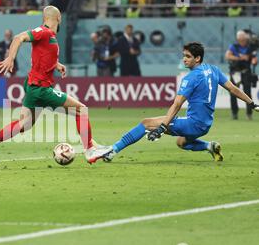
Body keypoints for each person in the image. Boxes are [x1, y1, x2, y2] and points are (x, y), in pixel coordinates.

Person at [0, 6, 113, 167]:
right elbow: (18, 38)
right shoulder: (44, 32)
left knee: (24, 124)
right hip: (41, 88)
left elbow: (42, 55)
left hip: (33, 86)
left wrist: (56, 64)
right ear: (59, 18)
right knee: (81, 109)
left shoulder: (49, 37)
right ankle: (90, 150)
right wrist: (10, 58)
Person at [103, 42, 259, 163]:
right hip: (206, 125)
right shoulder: (214, 70)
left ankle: (112, 151)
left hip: (193, 123)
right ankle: (209, 146)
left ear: (197, 58)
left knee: (146, 123)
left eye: (188, 56)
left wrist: (162, 126)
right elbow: (233, 89)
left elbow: (176, 105)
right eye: (184, 55)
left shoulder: (191, 78)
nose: (184, 59)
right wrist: (252, 103)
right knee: (181, 142)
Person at [225, 30, 257, 120]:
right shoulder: (234, 46)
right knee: (233, 92)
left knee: (247, 92)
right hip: (235, 72)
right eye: (241, 40)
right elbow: (227, 56)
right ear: (238, 39)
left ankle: (249, 113)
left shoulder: (250, 47)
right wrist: (240, 58)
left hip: (246, 71)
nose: (243, 41)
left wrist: (254, 60)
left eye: (244, 39)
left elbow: (254, 58)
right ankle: (234, 113)